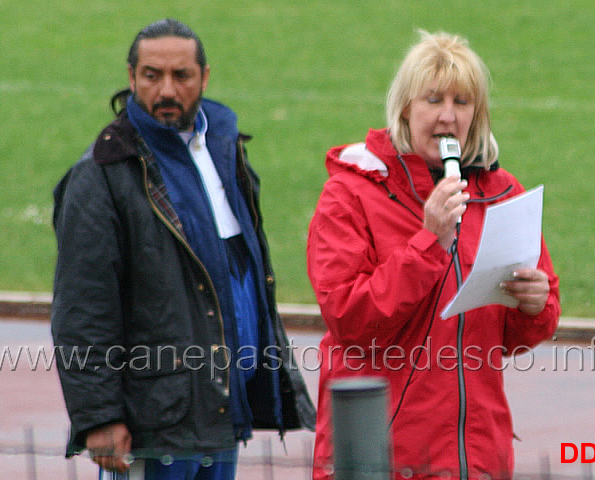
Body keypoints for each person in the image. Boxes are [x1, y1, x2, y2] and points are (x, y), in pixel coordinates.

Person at [51, 18, 315, 480]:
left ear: (205, 78)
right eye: (152, 76)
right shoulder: (100, 176)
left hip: (221, 416)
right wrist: (98, 418)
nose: (166, 90)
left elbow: (247, 276)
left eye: (182, 76)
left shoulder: (225, 153)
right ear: (131, 77)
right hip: (153, 429)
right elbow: (82, 309)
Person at [306, 31, 560, 480]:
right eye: (433, 99)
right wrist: (430, 241)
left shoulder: (502, 194)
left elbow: (512, 335)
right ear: (405, 106)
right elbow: (350, 318)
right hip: (380, 455)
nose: (448, 116)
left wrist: (535, 304)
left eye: (462, 103)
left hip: (476, 457)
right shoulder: (350, 193)